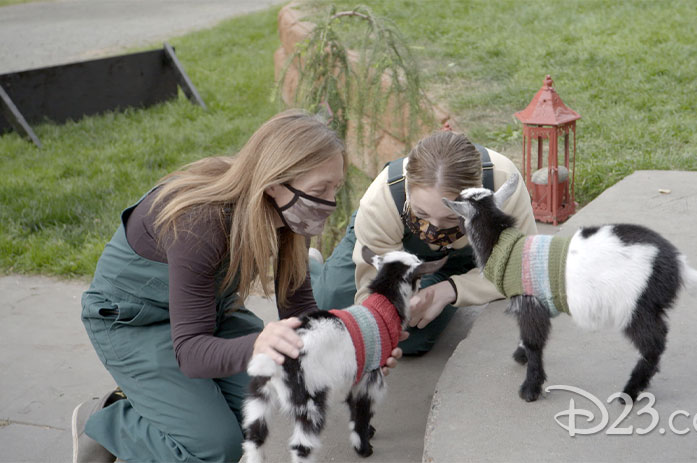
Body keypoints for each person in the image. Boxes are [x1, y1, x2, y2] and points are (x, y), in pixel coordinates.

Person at [72, 110, 402, 463]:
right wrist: (259, 344)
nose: (330, 202)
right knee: (216, 448)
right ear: (275, 182)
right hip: (134, 322)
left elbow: (297, 307)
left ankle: (163, 400)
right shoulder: (201, 222)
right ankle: (106, 420)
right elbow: (191, 351)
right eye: (320, 189)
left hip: (205, 315)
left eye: (334, 188)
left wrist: (353, 352)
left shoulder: (288, 208)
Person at [309, 130, 537, 355]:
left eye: (451, 217)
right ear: (408, 188)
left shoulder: (504, 184)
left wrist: (453, 289)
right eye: (421, 213)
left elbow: (522, 265)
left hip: (459, 262)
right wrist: (382, 313)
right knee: (326, 308)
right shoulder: (381, 200)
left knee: (412, 337)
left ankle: (436, 280)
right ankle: (311, 266)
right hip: (388, 253)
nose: (434, 227)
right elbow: (373, 284)